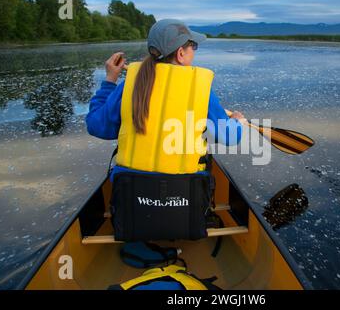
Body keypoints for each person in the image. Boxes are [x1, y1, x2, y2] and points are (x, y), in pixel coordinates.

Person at [85, 19, 245, 241]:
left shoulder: (129, 85)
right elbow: (229, 137)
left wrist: (110, 80)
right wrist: (238, 122)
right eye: (193, 47)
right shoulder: (199, 90)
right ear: (181, 53)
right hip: (186, 199)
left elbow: (96, 126)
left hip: (133, 197)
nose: (194, 53)